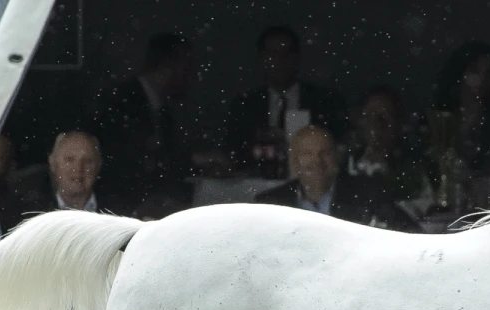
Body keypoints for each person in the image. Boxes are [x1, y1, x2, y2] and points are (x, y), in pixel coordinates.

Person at [88, 33, 226, 214]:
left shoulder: (161, 111)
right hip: (122, 209)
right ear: (170, 65)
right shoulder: (123, 102)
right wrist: (195, 159)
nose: (191, 76)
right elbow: (136, 159)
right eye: (187, 67)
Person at [224, 26, 349, 175]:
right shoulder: (245, 104)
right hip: (255, 184)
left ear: (297, 58)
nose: (280, 61)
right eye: (273, 54)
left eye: (286, 54)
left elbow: (337, 148)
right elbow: (234, 152)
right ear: (262, 59)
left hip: (311, 182)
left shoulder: (325, 101)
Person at [431, 41, 490, 175]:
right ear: (460, 72)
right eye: (474, 70)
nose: (482, 79)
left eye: (489, 73)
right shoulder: (437, 119)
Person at [346, 86, 430, 208]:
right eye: (370, 115)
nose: (377, 122)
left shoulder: (415, 168)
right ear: (361, 121)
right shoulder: (346, 165)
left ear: (398, 122)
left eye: (385, 115)